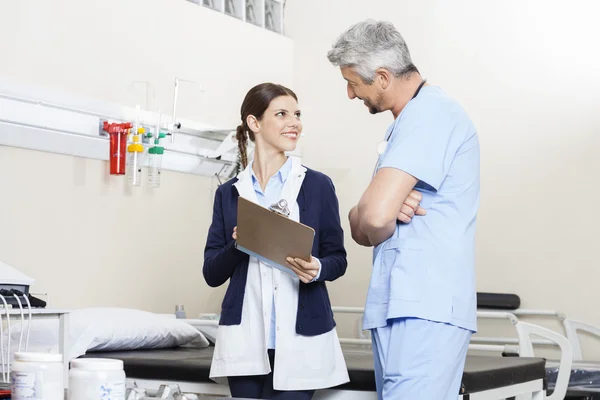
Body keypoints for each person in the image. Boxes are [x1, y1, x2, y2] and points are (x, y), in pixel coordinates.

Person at [327, 20, 480, 399]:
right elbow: (361, 225)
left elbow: (373, 219)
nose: (349, 94)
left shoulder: (430, 114)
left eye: (353, 83)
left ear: (381, 77)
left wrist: (375, 208)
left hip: (423, 308)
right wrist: (374, 207)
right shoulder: (411, 120)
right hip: (403, 306)